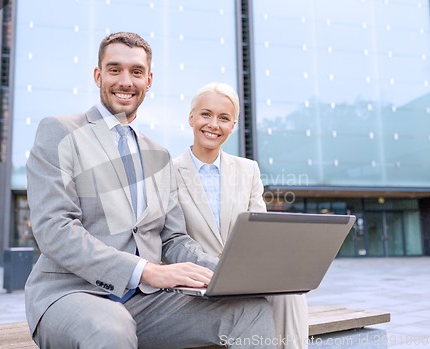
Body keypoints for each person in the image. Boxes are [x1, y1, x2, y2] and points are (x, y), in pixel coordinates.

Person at [25, 32, 277, 349]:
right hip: (71, 293)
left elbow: (172, 238)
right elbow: (55, 229)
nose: (125, 81)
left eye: (136, 72)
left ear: (149, 80)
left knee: (250, 311)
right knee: (111, 329)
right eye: (115, 70)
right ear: (97, 75)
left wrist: (232, 272)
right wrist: (146, 271)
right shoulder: (60, 132)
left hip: (146, 304)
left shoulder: (158, 156)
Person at [173, 82, 309, 349]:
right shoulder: (168, 171)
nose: (213, 124)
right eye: (206, 114)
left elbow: (260, 234)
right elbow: (170, 239)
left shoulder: (249, 170)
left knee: (290, 292)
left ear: (232, 126)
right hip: (197, 282)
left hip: (245, 277)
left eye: (224, 118)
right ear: (191, 117)